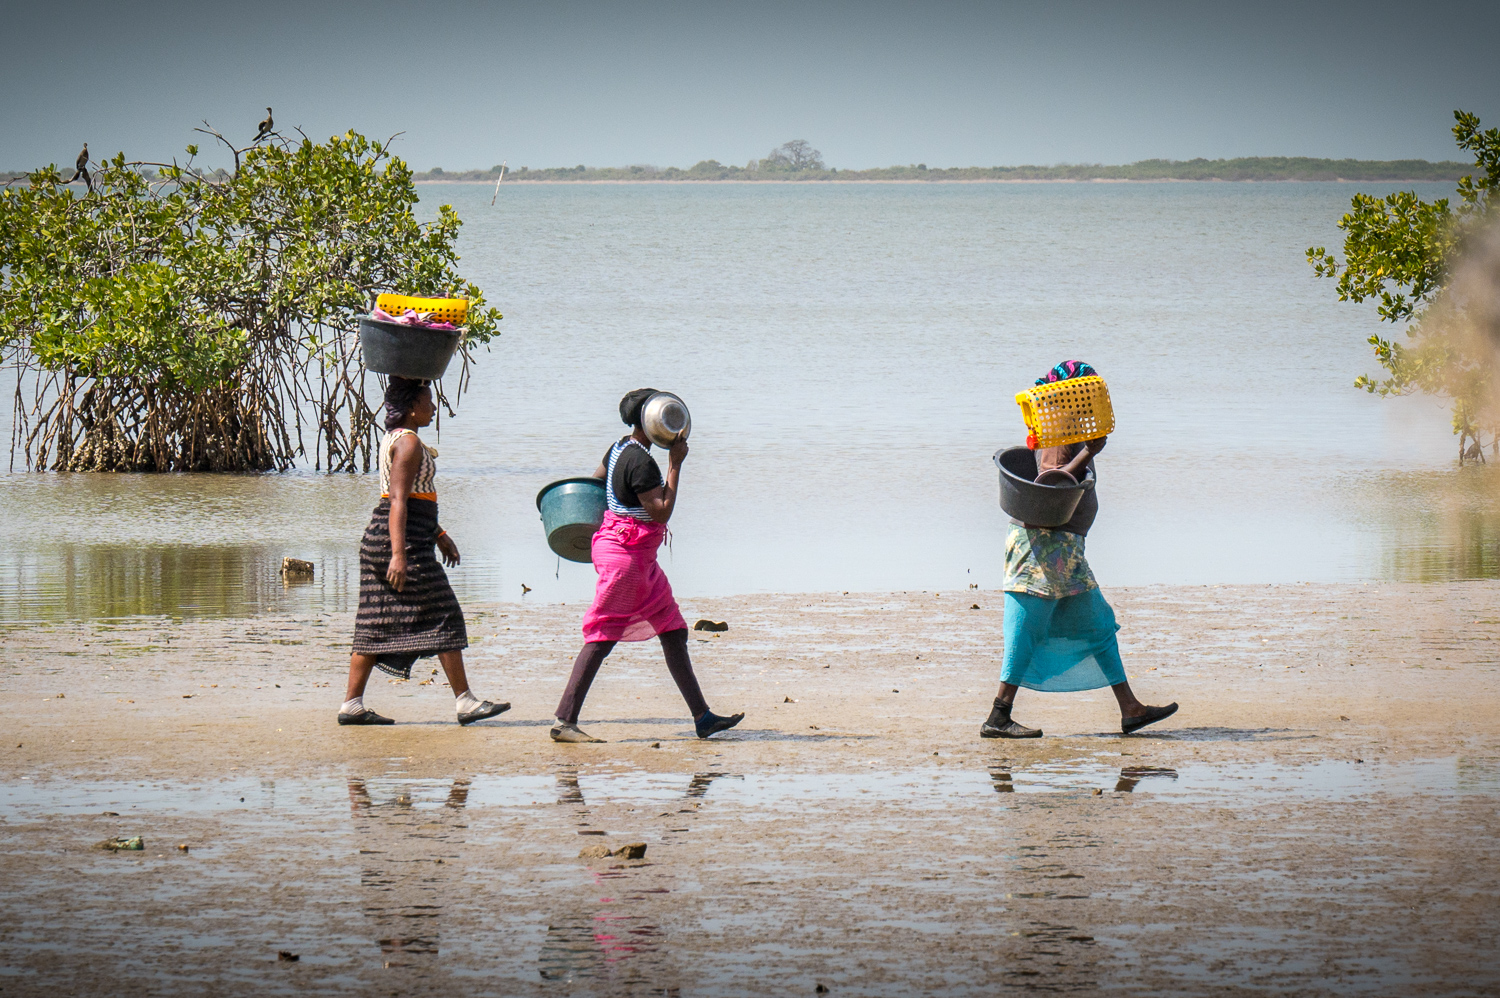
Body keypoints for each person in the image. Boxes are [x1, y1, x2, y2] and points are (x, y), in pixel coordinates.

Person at [982, 360, 1178, 739]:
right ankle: (998, 717)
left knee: (1098, 626)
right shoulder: (1057, 434)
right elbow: (1051, 485)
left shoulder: (1063, 430)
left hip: (1064, 552)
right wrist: (1088, 453)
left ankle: (1130, 709)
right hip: (1040, 550)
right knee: (1025, 631)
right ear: (1073, 398)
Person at [551, 388, 744, 743]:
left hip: (634, 557)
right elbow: (660, 510)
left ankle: (703, 718)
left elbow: (593, 484)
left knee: (673, 629)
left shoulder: (619, 447)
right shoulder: (642, 462)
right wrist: (675, 465)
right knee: (602, 635)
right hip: (627, 561)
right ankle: (565, 720)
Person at [339, 376, 508, 726]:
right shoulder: (410, 443)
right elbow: (399, 500)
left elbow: (414, 499)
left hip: (392, 538)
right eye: (428, 402)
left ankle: (351, 706)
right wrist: (399, 555)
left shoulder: (397, 438)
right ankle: (464, 702)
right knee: (444, 611)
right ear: (412, 409)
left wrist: (439, 533)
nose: (433, 408)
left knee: (374, 619)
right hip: (399, 543)